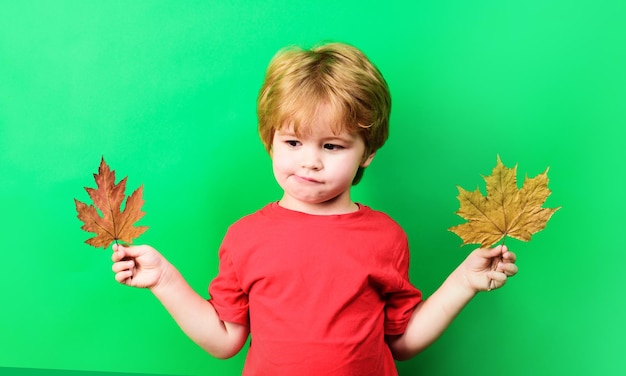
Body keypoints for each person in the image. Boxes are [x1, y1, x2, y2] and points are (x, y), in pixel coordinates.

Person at [111, 42, 518, 375]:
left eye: (331, 146)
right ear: (269, 140)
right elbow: (225, 340)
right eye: (292, 142)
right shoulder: (245, 236)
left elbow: (403, 342)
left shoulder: (386, 236)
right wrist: (163, 280)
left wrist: (464, 281)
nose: (310, 161)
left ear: (368, 153)